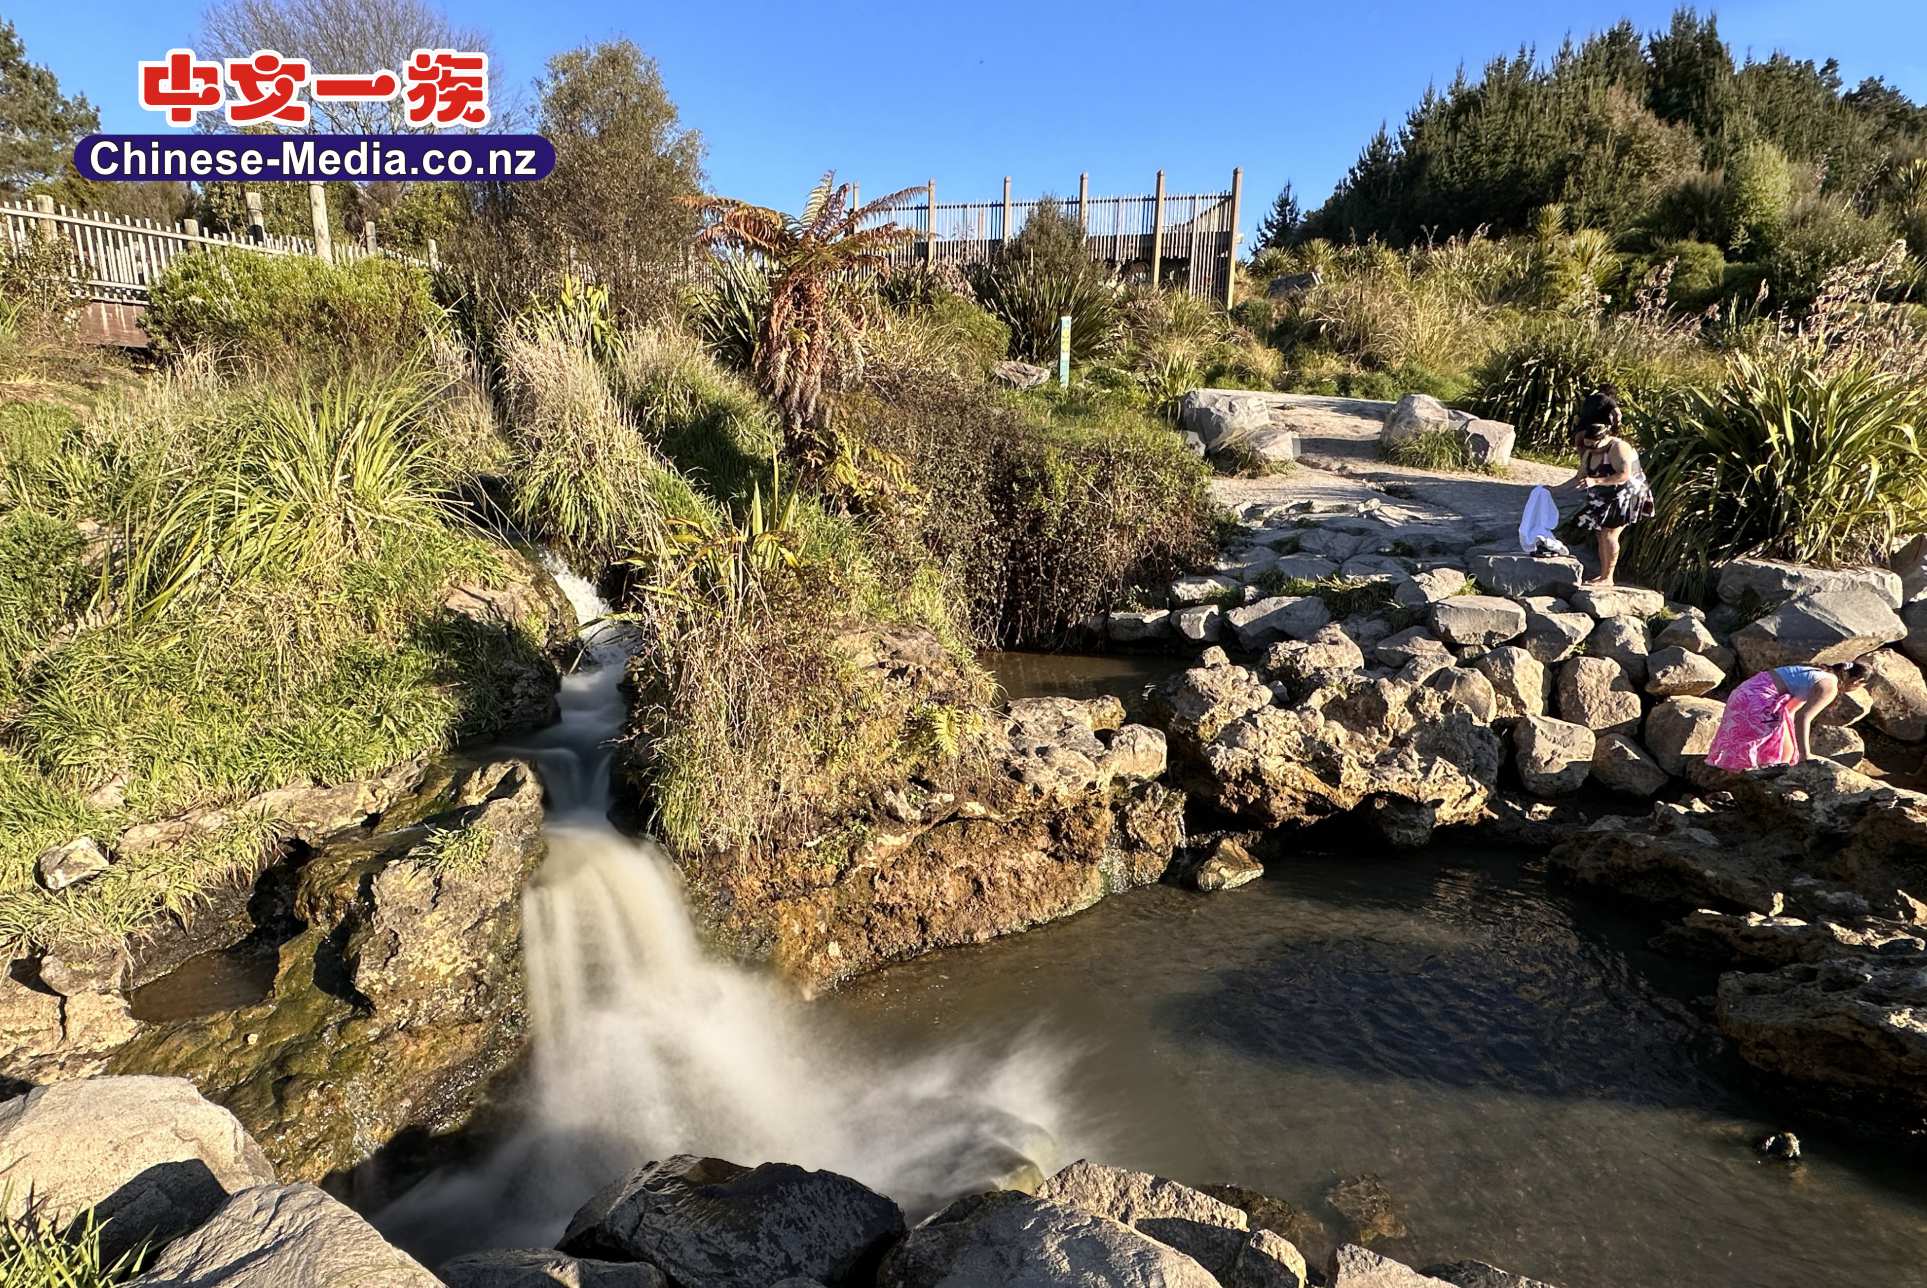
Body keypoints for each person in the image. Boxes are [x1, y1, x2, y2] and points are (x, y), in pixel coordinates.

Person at [1557, 387, 1651, 587]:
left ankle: (1608, 578)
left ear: (1604, 438)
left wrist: (1596, 481)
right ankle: (1603, 575)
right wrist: (1553, 490)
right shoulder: (1590, 451)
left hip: (1628, 494)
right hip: (1607, 494)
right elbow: (1579, 477)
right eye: (1587, 446)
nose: (1591, 450)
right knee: (1601, 533)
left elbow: (1624, 475)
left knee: (1609, 533)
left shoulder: (1618, 448)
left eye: (1594, 446)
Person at [1705, 661, 1873, 770]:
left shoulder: (1818, 672)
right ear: (1857, 682)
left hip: (1744, 693)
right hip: (1758, 701)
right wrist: (1805, 756)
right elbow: (1803, 718)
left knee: (1783, 749)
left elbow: (1790, 714)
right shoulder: (1829, 685)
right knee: (1772, 752)